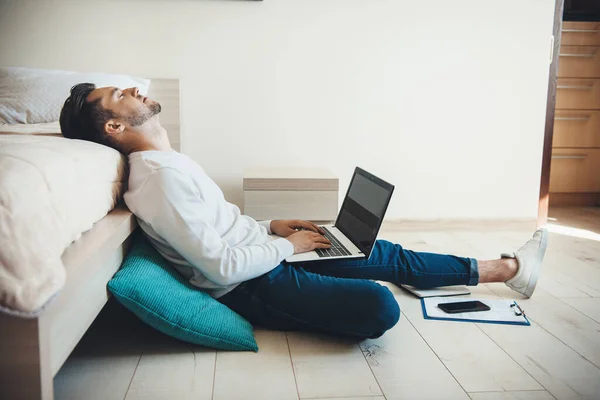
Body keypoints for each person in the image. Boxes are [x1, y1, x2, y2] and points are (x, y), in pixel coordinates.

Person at [60, 84, 548, 339]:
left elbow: (220, 226)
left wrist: (271, 226)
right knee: (379, 304)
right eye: (118, 96)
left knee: (382, 250)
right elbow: (217, 266)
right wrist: (286, 247)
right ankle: (357, 279)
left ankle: (504, 270)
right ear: (115, 127)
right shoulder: (159, 179)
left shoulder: (168, 163)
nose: (132, 89)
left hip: (264, 251)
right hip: (250, 284)